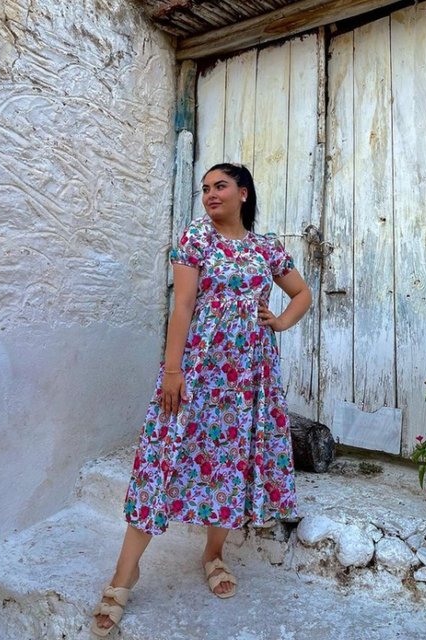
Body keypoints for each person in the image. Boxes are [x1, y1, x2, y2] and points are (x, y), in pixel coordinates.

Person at [91, 163, 312, 636]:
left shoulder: (266, 247)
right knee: (163, 459)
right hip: (198, 370)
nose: (210, 194)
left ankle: (213, 554)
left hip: (250, 377)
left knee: (231, 460)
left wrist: (279, 322)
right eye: (205, 188)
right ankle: (124, 575)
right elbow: (184, 306)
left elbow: (301, 294)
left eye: (221, 186)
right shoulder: (197, 238)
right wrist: (173, 371)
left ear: (243, 193)